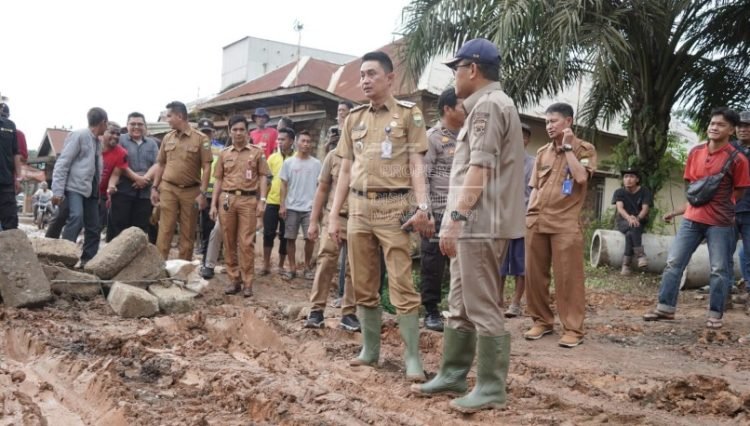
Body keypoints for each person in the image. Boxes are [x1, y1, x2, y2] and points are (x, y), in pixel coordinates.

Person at [411, 38, 525, 413]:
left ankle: (491, 387)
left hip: (479, 222)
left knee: (481, 305)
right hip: (475, 222)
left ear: (472, 69)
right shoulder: (487, 105)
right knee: (459, 304)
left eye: (456, 68)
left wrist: (454, 219)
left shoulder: (488, 107)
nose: (455, 76)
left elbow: (479, 170)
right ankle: (453, 374)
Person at [327, 50, 433, 382]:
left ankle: (412, 358)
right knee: (362, 284)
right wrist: (334, 216)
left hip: (394, 208)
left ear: (390, 78)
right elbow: (344, 170)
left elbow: (417, 164)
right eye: (362, 75)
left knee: (402, 284)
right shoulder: (353, 119)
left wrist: (423, 206)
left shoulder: (408, 115)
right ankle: (370, 351)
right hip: (358, 210)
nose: (365, 80)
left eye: (372, 74)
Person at [644, 107, 750, 329]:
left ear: (731, 130)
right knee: (674, 262)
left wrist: (719, 204)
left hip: (720, 223)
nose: (714, 127)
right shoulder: (696, 152)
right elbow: (692, 184)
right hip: (692, 219)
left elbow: (739, 191)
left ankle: (715, 314)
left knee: (719, 269)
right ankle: (665, 307)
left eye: (720, 124)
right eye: (712, 123)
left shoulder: (738, 159)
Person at [523, 102, 597, 348]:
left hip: (565, 222)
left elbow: (581, 177)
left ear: (568, 121)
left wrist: (567, 149)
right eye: (546, 122)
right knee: (534, 276)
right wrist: (529, 215)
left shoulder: (584, 149)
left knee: (568, 278)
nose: (549, 126)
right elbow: (535, 187)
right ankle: (542, 321)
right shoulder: (542, 152)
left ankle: (573, 329)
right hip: (537, 220)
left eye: (553, 121)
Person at [304, 132, 360, 331]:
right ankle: (316, 310)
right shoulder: (333, 156)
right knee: (326, 260)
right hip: (335, 217)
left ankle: (349, 314)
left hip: (360, 218)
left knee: (355, 266)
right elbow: (322, 189)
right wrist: (313, 222)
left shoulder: (367, 155)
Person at [420, 87, 464, 332]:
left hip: (462, 212)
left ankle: (459, 311)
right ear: (447, 109)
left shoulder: (469, 136)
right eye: (461, 105)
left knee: (463, 264)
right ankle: (431, 311)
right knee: (432, 263)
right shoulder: (432, 137)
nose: (466, 109)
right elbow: (422, 177)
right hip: (437, 211)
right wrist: (424, 211)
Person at [209, 115, 269, 297]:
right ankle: (234, 279)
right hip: (227, 199)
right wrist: (213, 204)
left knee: (246, 242)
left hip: (248, 200)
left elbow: (263, 176)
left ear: (247, 131)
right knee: (228, 240)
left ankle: (248, 282)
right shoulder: (224, 153)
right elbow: (218, 180)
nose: (238, 133)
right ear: (229, 131)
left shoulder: (256, 152)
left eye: (241, 129)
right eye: (234, 129)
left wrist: (262, 200)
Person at [150, 101, 212, 260]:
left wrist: (203, 194)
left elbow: (207, 168)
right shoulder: (167, 138)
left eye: (169, 116)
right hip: (168, 189)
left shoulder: (201, 139)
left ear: (180, 116)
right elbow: (161, 164)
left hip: (191, 192)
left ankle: (182, 269)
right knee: (165, 230)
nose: (167, 120)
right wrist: (155, 187)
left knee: (187, 232)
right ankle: (159, 269)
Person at [51, 107, 108, 266]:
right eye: (106, 124)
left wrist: (97, 192)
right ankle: (63, 258)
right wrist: (57, 190)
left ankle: (87, 261)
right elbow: (63, 163)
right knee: (76, 217)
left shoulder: (97, 141)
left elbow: (95, 169)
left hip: (90, 190)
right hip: (75, 187)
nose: (107, 127)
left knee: (94, 227)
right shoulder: (79, 135)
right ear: (103, 122)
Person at [108, 112, 159, 240]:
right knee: (119, 228)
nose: (136, 127)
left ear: (145, 126)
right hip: (123, 192)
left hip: (144, 194)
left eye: (140, 124)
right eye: (133, 124)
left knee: (140, 230)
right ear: (127, 125)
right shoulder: (120, 140)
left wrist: (145, 179)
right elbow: (118, 163)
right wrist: (137, 178)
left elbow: (158, 164)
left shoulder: (152, 144)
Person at [503, 122, 536, 318]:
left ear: (526, 140)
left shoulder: (533, 163)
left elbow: (534, 193)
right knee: (498, 262)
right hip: (501, 219)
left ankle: (515, 303)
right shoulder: (501, 161)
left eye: (522, 136)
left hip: (523, 218)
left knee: (520, 262)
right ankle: (497, 301)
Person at [279, 130, 321, 280]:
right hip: (291, 207)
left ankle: (307, 267)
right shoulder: (289, 162)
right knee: (290, 238)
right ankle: (292, 268)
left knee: (310, 238)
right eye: (303, 141)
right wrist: (282, 205)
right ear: (297, 142)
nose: (306, 144)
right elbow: (283, 185)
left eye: (308, 141)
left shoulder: (316, 164)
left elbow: (320, 187)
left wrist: (319, 208)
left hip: (309, 208)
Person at [260, 127, 295, 276]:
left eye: (283, 139)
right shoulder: (272, 158)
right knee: (268, 233)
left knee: (285, 235)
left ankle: (280, 265)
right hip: (272, 201)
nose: (280, 142)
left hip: (290, 203)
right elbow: (266, 180)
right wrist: (262, 199)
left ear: (292, 141)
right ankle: (266, 265)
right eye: (278, 139)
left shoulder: (297, 158)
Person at [612, 169, 653, 275]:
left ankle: (626, 265)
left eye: (631, 176)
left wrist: (637, 218)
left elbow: (645, 209)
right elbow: (620, 209)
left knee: (631, 232)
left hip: (639, 221)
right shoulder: (619, 192)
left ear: (637, 179)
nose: (628, 179)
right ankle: (640, 256)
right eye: (626, 177)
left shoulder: (644, 191)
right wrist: (629, 218)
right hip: (623, 222)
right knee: (633, 226)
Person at [197, 118, 224, 255]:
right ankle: (205, 248)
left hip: (216, 192)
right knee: (202, 223)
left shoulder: (221, 149)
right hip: (199, 191)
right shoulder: (195, 147)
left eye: (208, 132)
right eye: (203, 132)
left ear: (213, 133)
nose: (206, 135)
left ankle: (215, 250)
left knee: (214, 223)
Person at [732, 111, 750, 295]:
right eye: (740, 126)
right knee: (724, 252)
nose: (743, 129)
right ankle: (726, 291)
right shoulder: (727, 149)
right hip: (728, 209)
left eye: (747, 126)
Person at [99, 122, 127, 235]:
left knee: (97, 225)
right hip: (83, 189)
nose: (115, 136)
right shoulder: (93, 145)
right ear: (103, 132)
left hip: (101, 194)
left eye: (118, 134)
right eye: (112, 132)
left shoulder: (122, 153)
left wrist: (111, 186)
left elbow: (115, 174)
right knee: (65, 217)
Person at [0, 108, 22, 231]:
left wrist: (18, 178)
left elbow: (16, 153)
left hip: (6, 181)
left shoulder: (10, 126)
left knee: (11, 223)